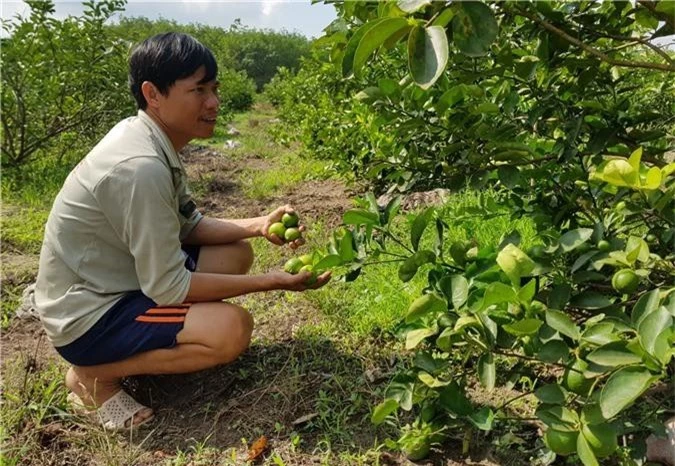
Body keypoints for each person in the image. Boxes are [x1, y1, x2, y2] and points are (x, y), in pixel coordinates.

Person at [33, 32, 330, 430]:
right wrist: (272, 281)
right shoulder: (139, 167)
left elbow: (187, 226)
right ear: (152, 93)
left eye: (214, 89)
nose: (214, 103)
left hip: (119, 280)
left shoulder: (151, 140)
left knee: (236, 251)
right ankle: (94, 377)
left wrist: (260, 225)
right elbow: (169, 287)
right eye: (198, 90)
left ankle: (126, 355)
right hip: (89, 317)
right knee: (230, 330)